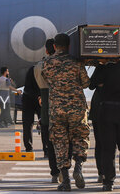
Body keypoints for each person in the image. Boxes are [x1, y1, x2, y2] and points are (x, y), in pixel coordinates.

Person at [42, 33, 90, 191]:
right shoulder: (76, 62)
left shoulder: (47, 62)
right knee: (80, 137)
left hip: (57, 108)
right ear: (69, 46)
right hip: (77, 107)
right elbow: (85, 83)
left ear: (54, 46)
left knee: (60, 142)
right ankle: (78, 167)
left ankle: (66, 180)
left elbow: (47, 80)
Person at [90, 41, 120, 192]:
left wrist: (102, 63)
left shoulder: (108, 68)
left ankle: (108, 182)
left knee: (108, 148)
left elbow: (92, 83)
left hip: (107, 109)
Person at [34, 39, 62, 183]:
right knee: (64, 142)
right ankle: (64, 170)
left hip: (46, 109)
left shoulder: (39, 66)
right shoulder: (62, 65)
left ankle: (54, 173)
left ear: (46, 50)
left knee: (50, 144)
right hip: (61, 108)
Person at [22, 64, 41, 152]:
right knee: (44, 124)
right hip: (39, 98)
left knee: (27, 125)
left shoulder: (31, 69)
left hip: (28, 98)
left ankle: (28, 148)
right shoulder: (44, 68)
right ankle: (46, 149)